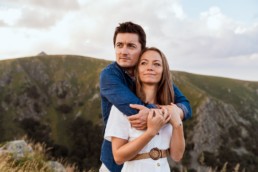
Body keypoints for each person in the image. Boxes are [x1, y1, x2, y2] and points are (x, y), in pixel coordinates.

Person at [99, 21, 191, 172]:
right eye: (119, 45)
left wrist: (176, 114)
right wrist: (168, 113)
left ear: (142, 49)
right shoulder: (109, 76)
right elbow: (135, 110)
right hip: (116, 165)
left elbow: (185, 106)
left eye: (131, 46)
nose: (123, 51)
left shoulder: (156, 79)